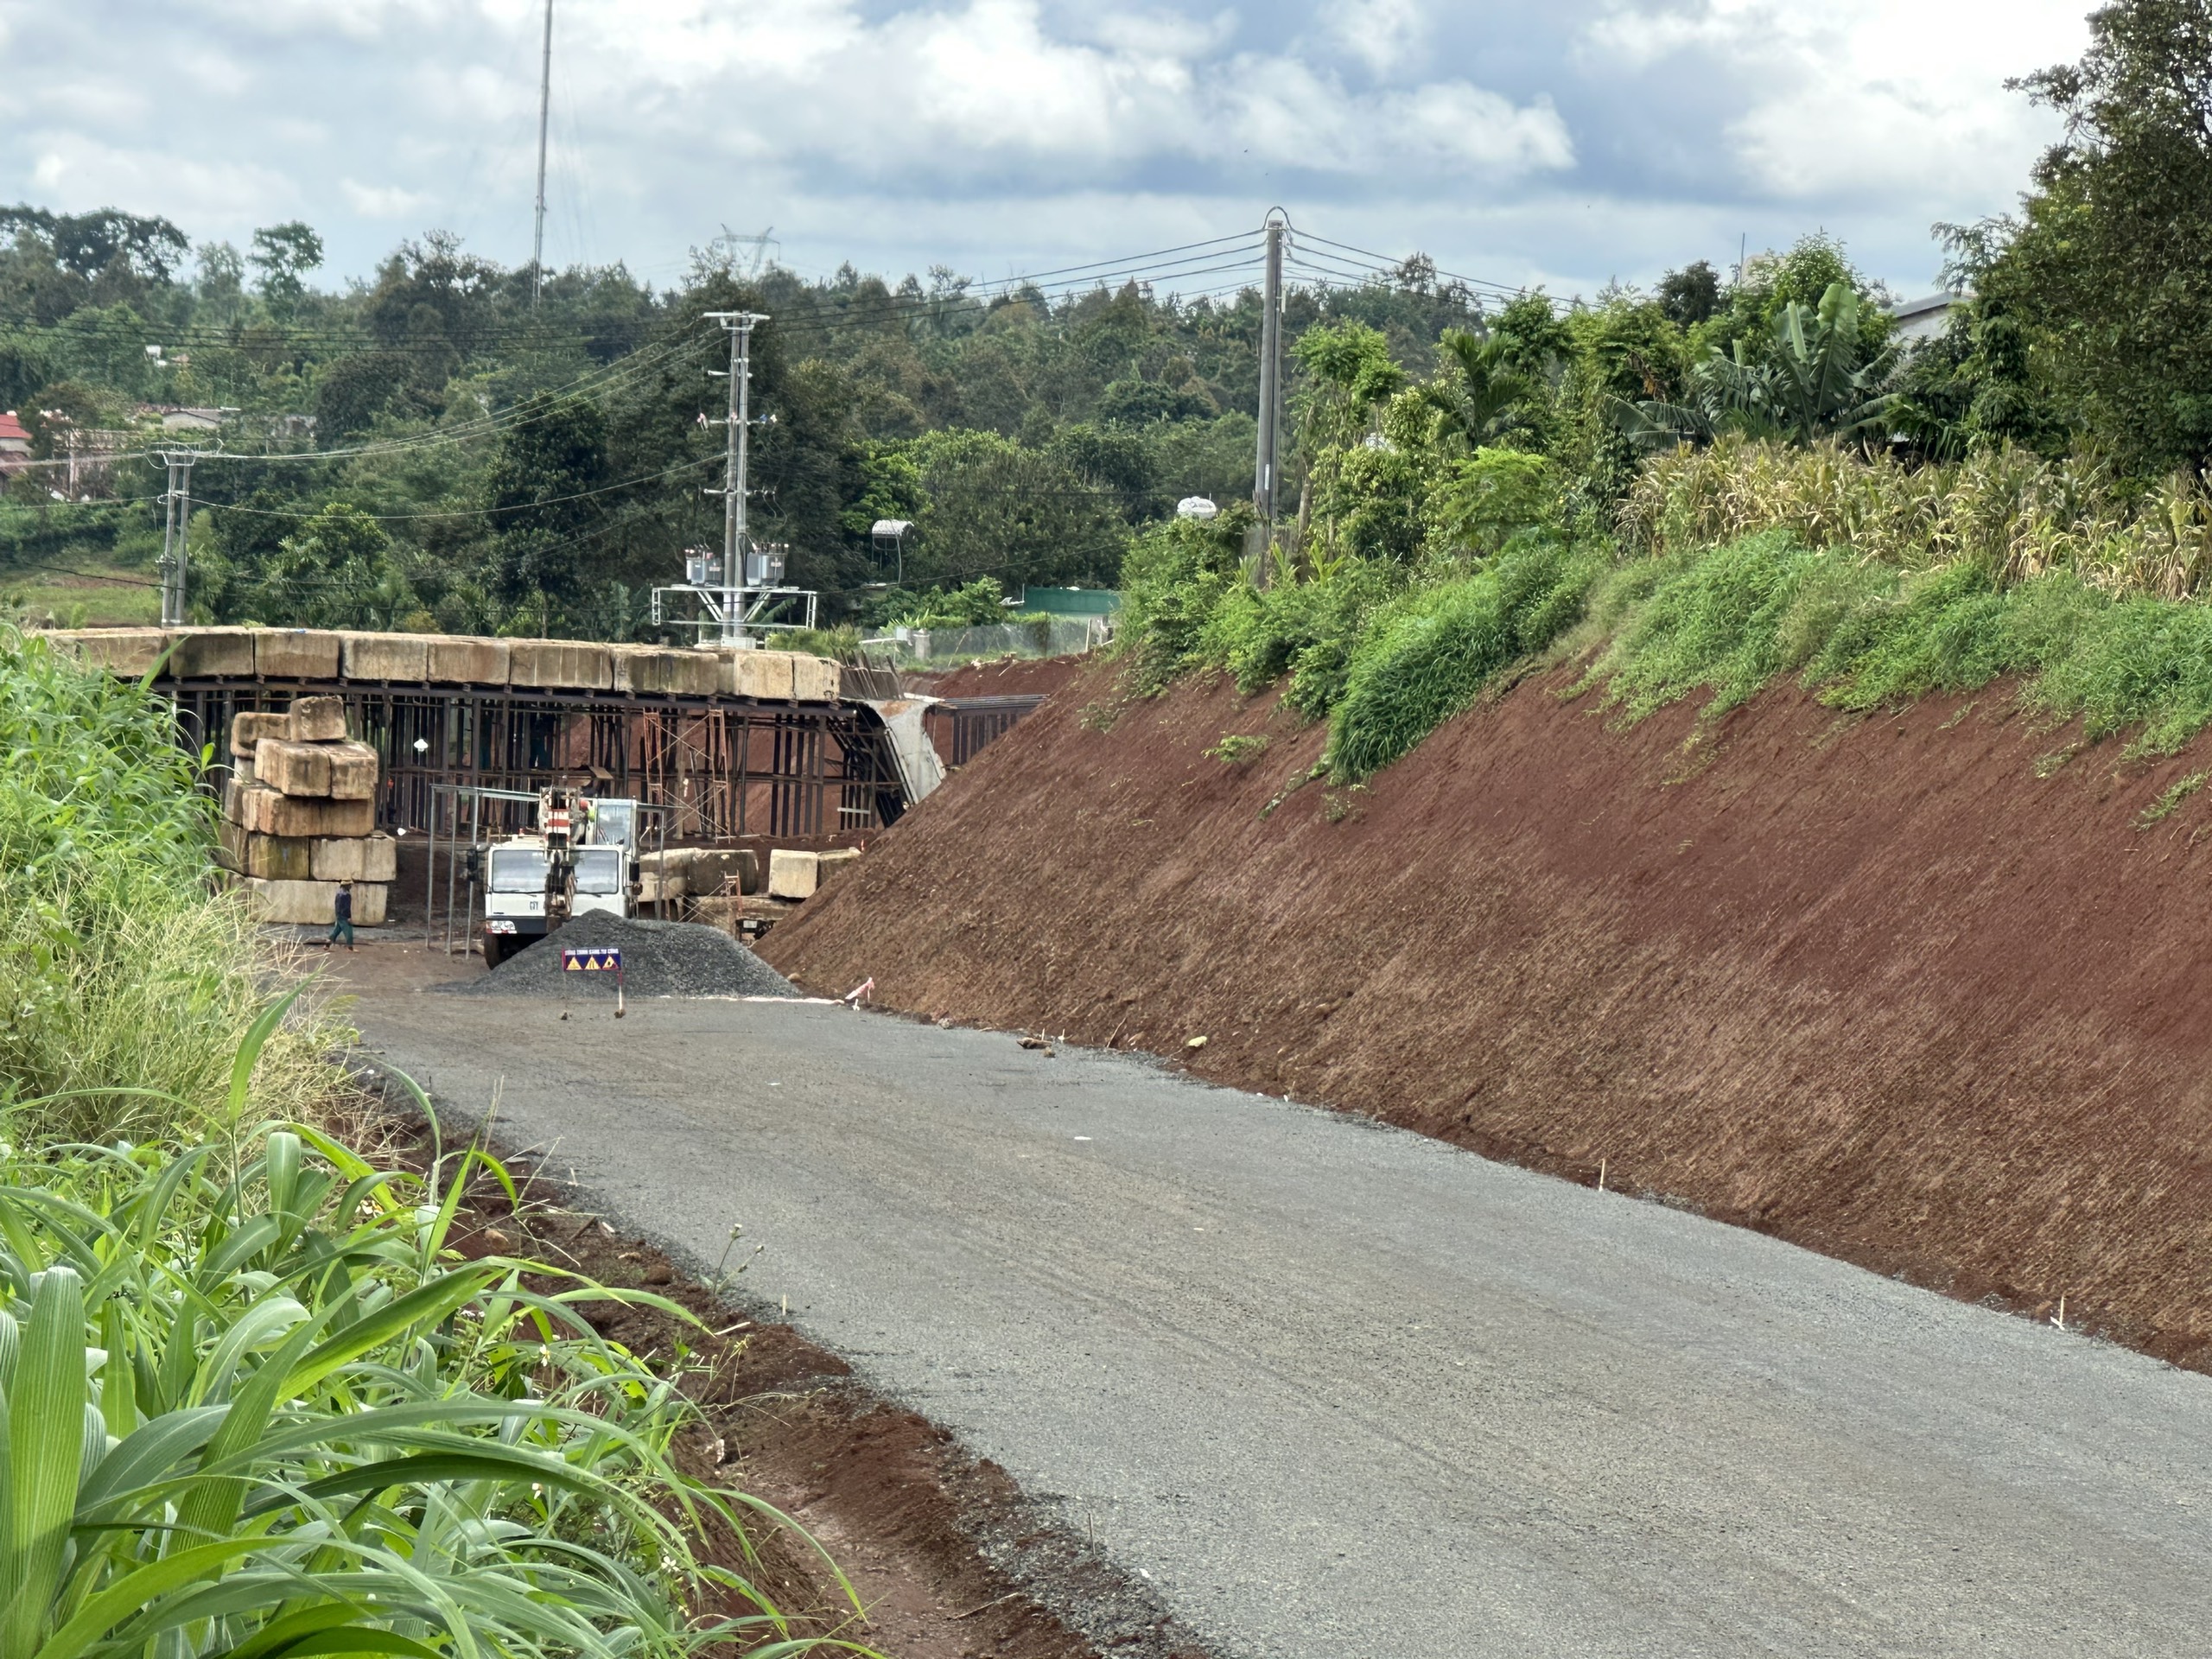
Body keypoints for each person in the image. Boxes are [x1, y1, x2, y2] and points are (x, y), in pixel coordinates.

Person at [327, 880, 355, 952]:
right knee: (349, 930)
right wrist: (349, 917)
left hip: (339, 914)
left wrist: (337, 914)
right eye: (349, 885)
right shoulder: (347, 895)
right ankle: (350, 947)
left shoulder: (338, 894)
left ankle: (327, 944)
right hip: (344, 915)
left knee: (337, 930)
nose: (350, 886)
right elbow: (347, 907)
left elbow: (336, 905)